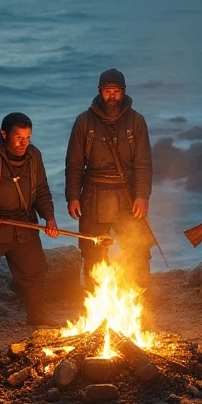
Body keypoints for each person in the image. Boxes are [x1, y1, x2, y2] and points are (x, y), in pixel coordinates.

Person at [0, 112, 59, 332]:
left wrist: (49, 217)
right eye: (18, 137)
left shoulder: (34, 156)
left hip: (23, 225)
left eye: (27, 137)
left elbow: (42, 190)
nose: (23, 143)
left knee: (35, 271)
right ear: (4, 134)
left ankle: (36, 315)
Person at [66, 68, 153, 288]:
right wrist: (72, 197)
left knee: (138, 250)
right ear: (99, 91)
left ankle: (138, 297)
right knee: (94, 253)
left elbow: (144, 164)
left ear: (123, 91)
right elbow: (74, 164)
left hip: (128, 195)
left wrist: (142, 196)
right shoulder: (84, 122)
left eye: (116, 91)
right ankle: (96, 301)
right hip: (94, 195)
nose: (112, 96)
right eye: (107, 91)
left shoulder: (137, 122)